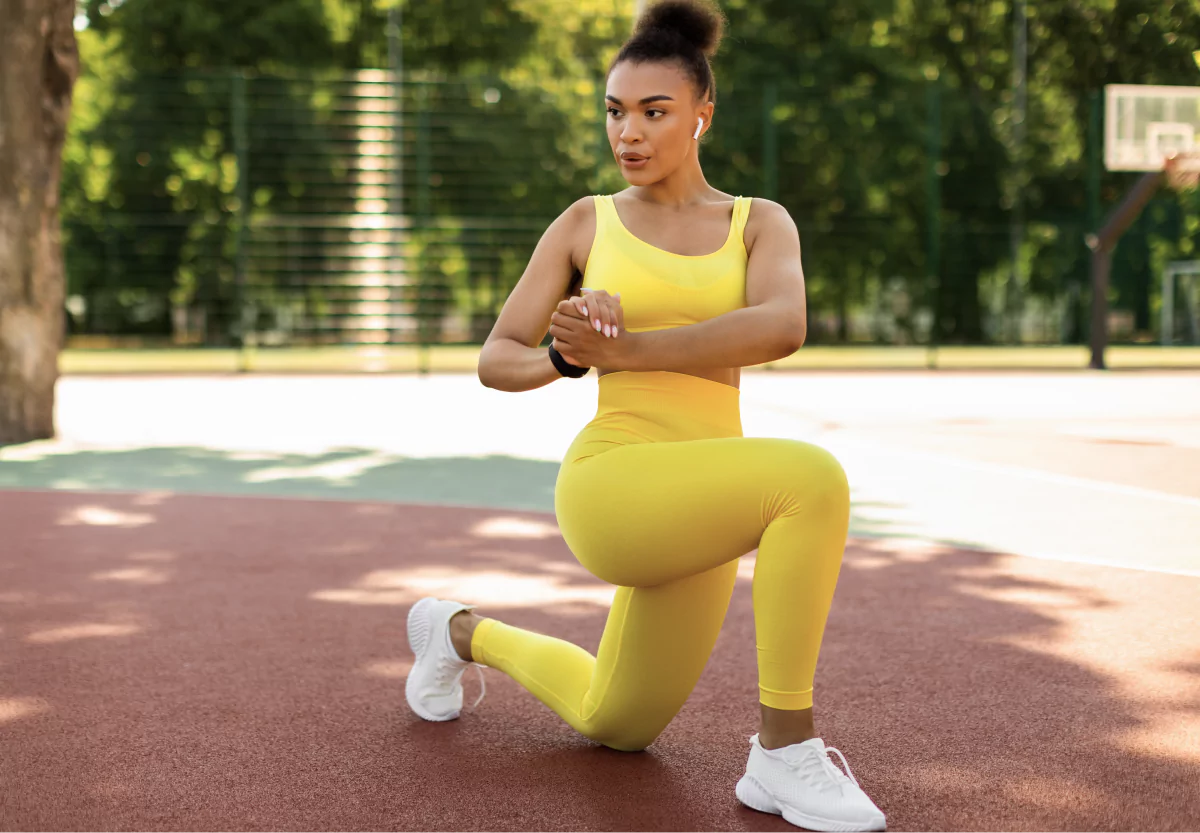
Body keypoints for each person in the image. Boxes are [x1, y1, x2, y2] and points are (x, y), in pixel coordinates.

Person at [404, 2, 885, 830]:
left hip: (705, 497)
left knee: (615, 722)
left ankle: (455, 630)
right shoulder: (588, 221)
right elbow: (496, 357)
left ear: (702, 114)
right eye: (615, 111)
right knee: (812, 479)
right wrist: (567, 358)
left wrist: (635, 349)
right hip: (614, 484)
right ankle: (781, 751)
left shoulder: (757, 222)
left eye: (653, 112)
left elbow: (783, 324)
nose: (628, 132)